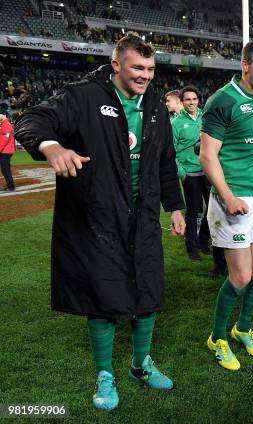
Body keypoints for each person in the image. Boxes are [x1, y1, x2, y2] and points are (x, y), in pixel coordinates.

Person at [15, 32, 186, 410]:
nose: (145, 75)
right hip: (98, 214)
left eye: (150, 68)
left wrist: (175, 207)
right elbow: (31, 120)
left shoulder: (156, 104)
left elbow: (165, 162)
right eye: (137, 67)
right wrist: (51, 145)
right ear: (116, 65)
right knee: (103, 294)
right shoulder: (84, 95)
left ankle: (141, 365)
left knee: (148, 289)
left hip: (143, 215)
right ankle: (105, 374)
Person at [199, 41, 253, 371]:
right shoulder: (222, 101)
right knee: (240, 277)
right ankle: (217, 337)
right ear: (245, 65)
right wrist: (227, 196)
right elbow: (207, 156)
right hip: (231, 201)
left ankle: (243, 328)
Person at [171, 85, 227, 276]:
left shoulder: (207, 116)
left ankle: (204, 240)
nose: (192, 103)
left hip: (210, 171)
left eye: (194, 99)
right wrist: (182, 172)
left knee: (213, 209)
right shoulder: (176, 123)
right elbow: (170, 151)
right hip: (191, 174)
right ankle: (192, 247)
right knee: (194, 211)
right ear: (182, 102)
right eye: (188, 100)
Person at [0, 113, 16, 191]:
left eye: (0, 114)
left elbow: (4, 139)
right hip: (4, 150)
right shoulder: (3, 124)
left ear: (4, 115)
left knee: (5, 169)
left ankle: (11, 186)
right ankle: (10, 185)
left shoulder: (6, 124)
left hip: (6, 150)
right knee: (4, 169)